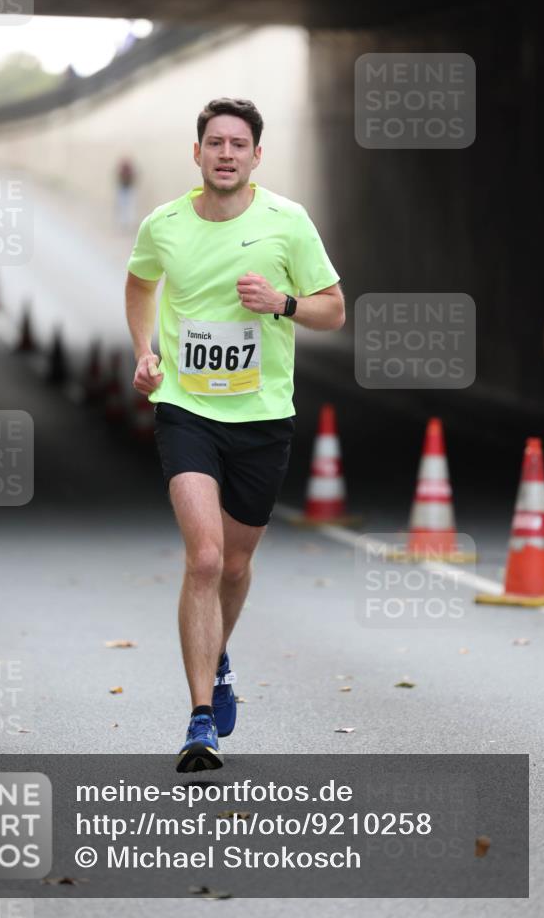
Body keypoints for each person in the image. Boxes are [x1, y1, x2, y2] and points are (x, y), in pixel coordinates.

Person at [125, 98, 344, 773]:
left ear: (255, 156)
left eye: (238, 143)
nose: (225, 153)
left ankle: (217, 657)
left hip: (261, 419)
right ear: (197, 154)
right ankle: (198, 723)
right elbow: (139, 285)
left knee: (239, 566)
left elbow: (333, 311)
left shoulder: (287, 223)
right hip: (186, 410)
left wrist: (281, 303)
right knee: (206, 560)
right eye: (214, 142)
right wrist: (145, 351)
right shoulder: (162, 224)